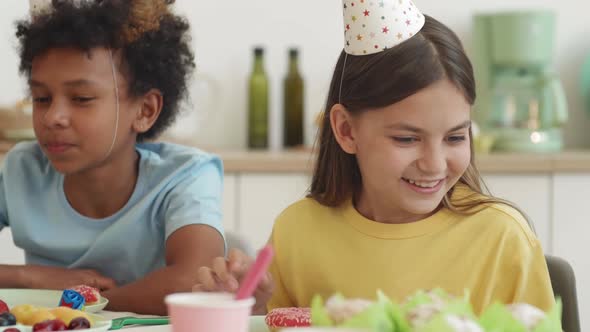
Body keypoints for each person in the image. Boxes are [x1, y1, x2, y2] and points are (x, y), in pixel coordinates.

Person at [193, 0, 555, 316]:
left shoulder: (502, 239)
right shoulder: (296, 234)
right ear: (347, 131)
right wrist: (248, 311)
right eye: (407, 138)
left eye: (456, 137)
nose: (434, 163)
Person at [0, 0, 224, 315]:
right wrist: (32, 277)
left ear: (145, 111)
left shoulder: (186, 175)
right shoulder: (21, 169)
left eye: (81, 99)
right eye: (41, 98)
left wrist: (76, 303)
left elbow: (193, 282)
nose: (53, 117)